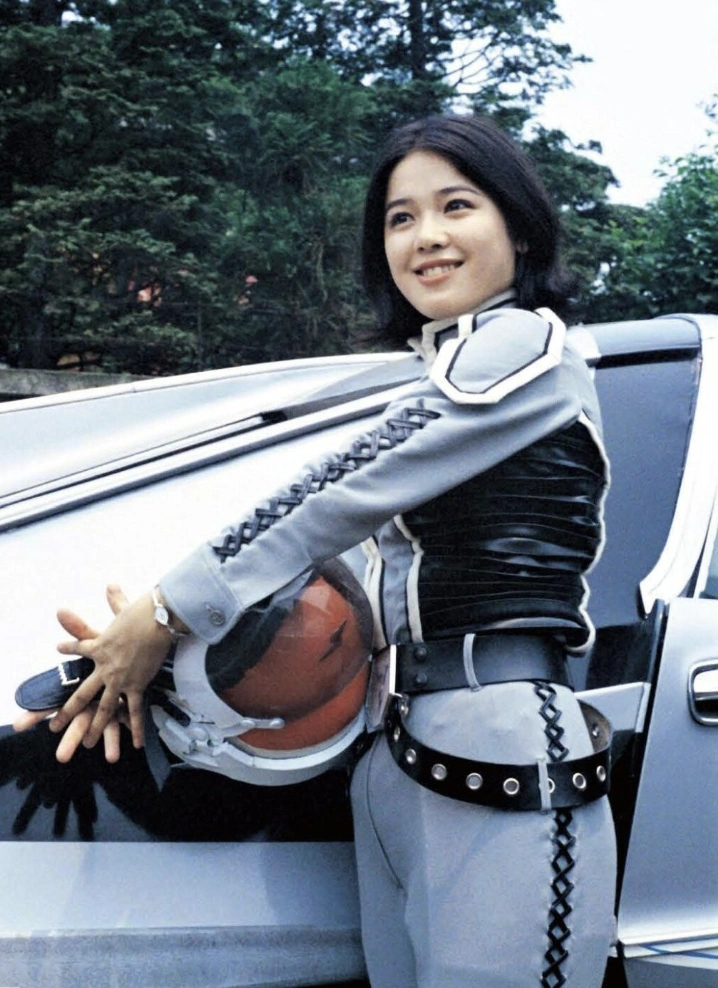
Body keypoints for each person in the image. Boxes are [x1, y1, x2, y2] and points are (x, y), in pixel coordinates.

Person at [15, 113, 616, 987]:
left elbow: (335, 491)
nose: (426, 236)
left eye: (456, 206)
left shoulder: (526, 346)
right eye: (401, 218)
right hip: (401, 752)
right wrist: (118, 666)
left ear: (519, 229)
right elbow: (323, 600)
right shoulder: (438, 375)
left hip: (503, 737)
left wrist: (163, 610)